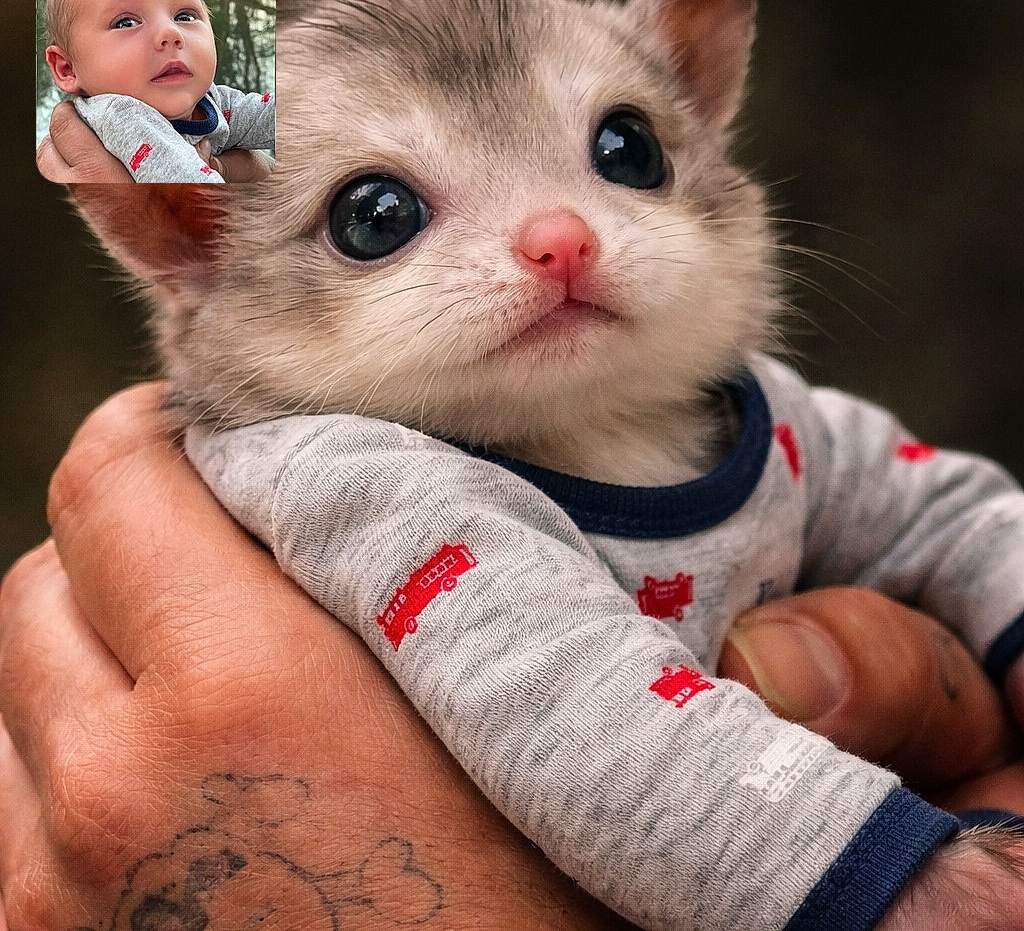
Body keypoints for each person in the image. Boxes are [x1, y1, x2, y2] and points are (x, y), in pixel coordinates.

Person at [1, 384, 1021, 929]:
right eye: (378, 213)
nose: (557, 236)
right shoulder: (343, 462)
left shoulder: (741, 403)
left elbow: (946, 507)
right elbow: (573, 707)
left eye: (624, 153)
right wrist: (933, 893)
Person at [42, 0, 274, 184]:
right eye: (126, 23)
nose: (170, 32)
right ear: (66, 68)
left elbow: (278, 117)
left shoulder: (210, 100)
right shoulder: (120, 116)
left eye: (185, 16)